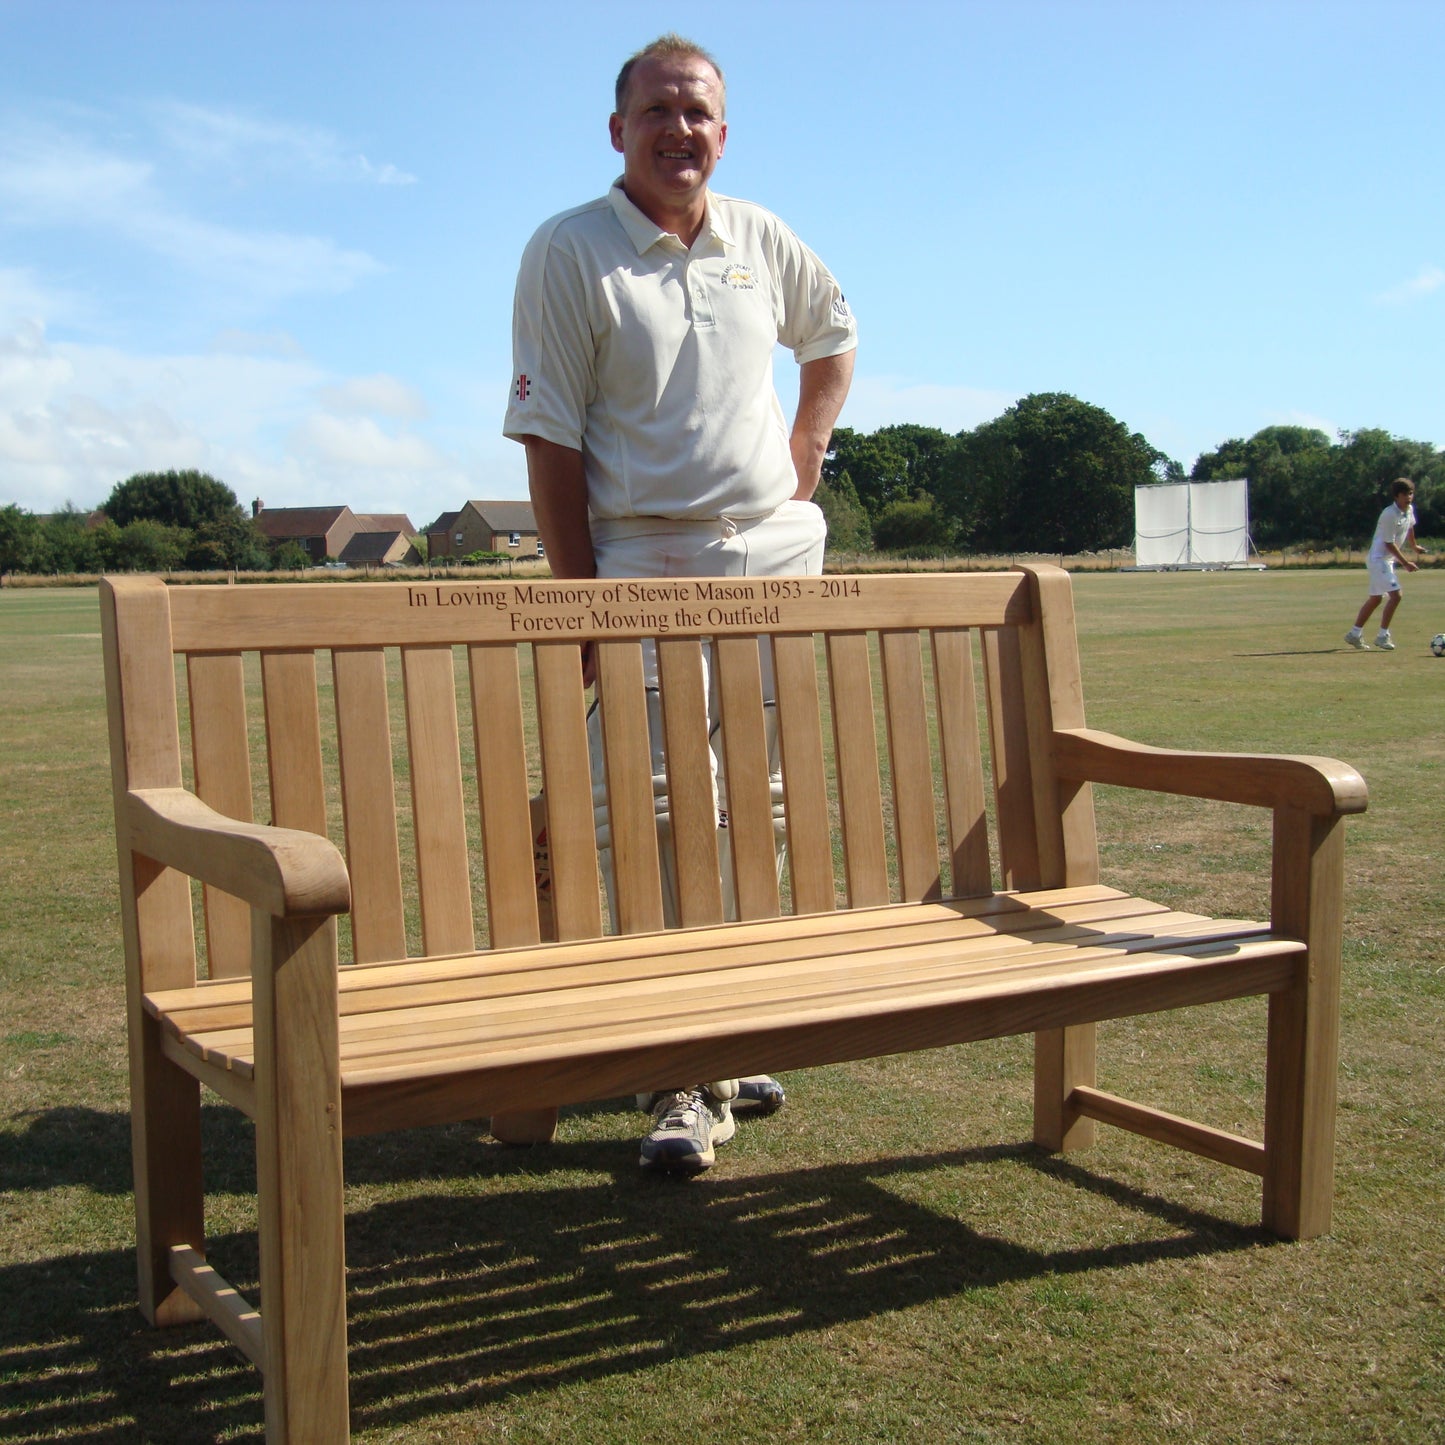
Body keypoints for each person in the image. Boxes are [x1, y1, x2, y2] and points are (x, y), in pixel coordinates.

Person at [504, 33, 856, 1173]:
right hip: (642, 567)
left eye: (697, 112)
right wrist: (581, 614)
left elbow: (834, 338)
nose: (678, 130)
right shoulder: (568, 251)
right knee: (657, 813)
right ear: (617, 132)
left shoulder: (758, 237)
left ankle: (728, 1027)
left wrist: (804, 445)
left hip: (772, 559)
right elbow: (549, 441)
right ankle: (674, 1072)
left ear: (721, 128)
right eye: (655, 111)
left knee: (753, 799)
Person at [1345, 479, 1423, 650]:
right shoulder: (1389, 514)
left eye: (1411, 494)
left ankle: (1354, 634)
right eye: (1404, 495)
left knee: (1376, 599)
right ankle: (1382, 636)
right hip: (1378, 560)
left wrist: (1414, 546)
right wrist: (1405, 563)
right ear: (1396, 496)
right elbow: (1389, 543)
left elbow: (1410, 527)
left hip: (1386, 561)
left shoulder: (1409, 510)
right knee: (1396, 595)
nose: (1409, 498)